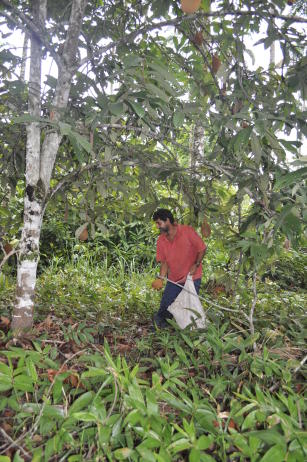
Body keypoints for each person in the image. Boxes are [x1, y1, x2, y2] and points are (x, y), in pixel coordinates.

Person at [151, 208, 207, 328]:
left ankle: (192, 332)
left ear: (167, 221)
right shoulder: (161, 240)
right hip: (174, 279)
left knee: (189, 307)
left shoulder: (187, 231)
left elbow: (202, 248)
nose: (157, 226)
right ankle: (160, 328)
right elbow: (164, 262)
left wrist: (196, 264)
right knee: (166, 306)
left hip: (192, 278)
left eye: (159, 223)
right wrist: (160, 278)